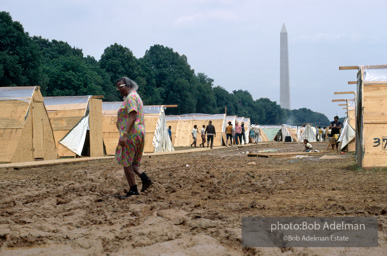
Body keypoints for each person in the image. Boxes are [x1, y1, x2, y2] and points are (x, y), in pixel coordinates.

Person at [115, 77, 152, 199]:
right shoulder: (136, 96)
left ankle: (133, 189)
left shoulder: (131, 98)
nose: (119, 90)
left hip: (131, 134)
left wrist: (124, 134)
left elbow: (132, 116)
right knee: (134, 163)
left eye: (120, 87)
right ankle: (145, 179)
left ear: (127, 85)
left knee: (126, 162)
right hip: (139, 132)